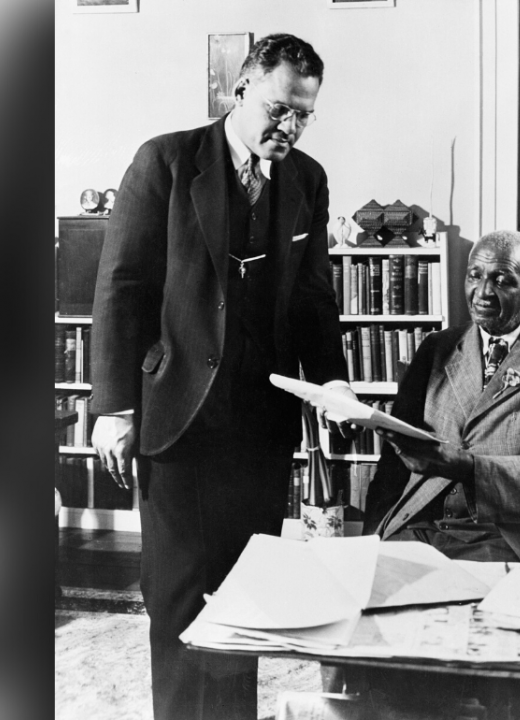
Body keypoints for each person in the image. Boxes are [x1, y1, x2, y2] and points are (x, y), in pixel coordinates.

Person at [89, 33, 356, 720]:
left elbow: (313, 297)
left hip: (259, 429)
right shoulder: (167, 162)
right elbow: (121, 288)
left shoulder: (307, 180)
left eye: (303, 115)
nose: (288, 128)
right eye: (277, 109)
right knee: (178, 602)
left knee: (245, 605)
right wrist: (113, 408)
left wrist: (334, 383)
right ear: (240, 91)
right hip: (176, 415)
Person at [364, 229, 520, 564]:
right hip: (417, 527)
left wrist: (468, 468)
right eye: (474, 276)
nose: (483, 293)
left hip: (506, 536)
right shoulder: (437, 348)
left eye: (501, 280)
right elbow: (391, 466)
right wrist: (370, 539)